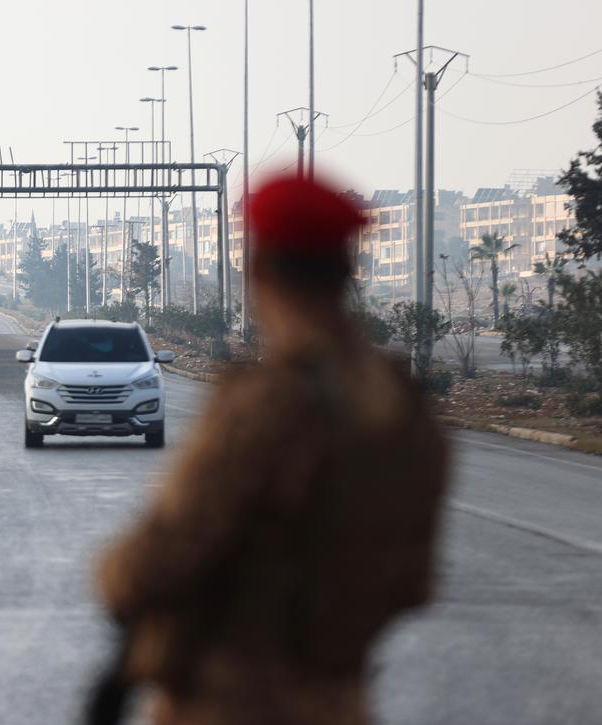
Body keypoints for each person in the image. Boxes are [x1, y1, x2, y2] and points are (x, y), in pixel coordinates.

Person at [93, 176, 449, 725]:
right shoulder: (401, 409)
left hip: (228, 701)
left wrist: (116, 575)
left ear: (258, 273)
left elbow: (160, 555)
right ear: (346, 273)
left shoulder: (270, 403)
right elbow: (412, 580)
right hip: (339, 696)